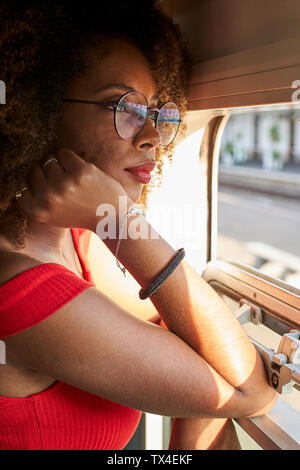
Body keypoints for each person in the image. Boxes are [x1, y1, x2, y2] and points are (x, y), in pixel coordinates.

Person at [0, 0, 278, 450]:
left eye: (156, 113)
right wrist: (120, 218)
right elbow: (251, 388)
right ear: (39, 109)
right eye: (123, 107)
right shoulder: (17, 288)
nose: (151, 136)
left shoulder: (77, 242)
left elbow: (193, 340)